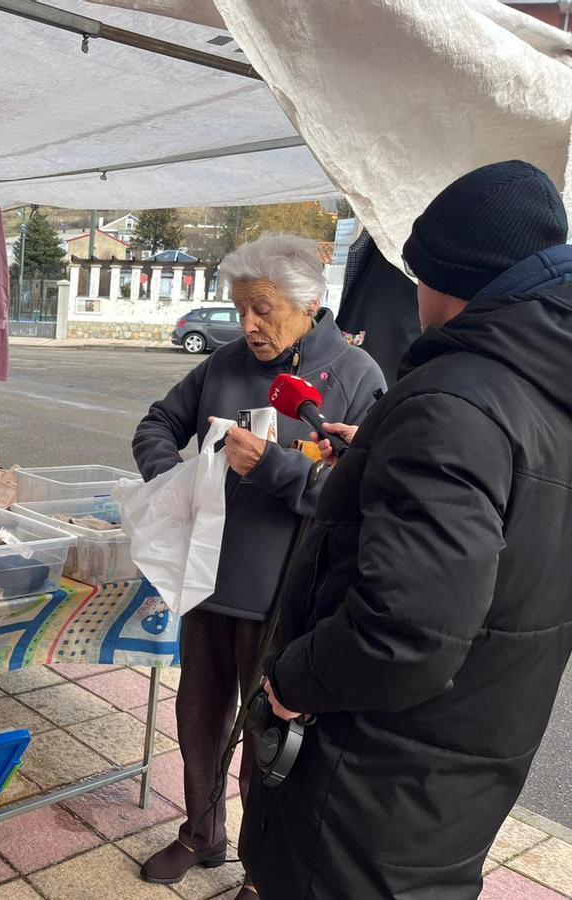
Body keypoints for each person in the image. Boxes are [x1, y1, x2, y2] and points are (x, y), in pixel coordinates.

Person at [240, 160, 572, 899]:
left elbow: (405, 631)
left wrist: (290, 682)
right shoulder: (543, 390)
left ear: (447, 281)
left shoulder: (455, 405)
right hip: (458, 770)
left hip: (362, 789)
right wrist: (386, 455)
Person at [132, 234, 385, 891]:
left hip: (291, 596)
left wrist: (274, 469)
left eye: (263, 308)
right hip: (209, 580)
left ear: (309, 304)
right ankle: (201, 834)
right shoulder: (222, 365)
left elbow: (365, 496)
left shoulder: (358, 379)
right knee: (198, 722)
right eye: (240, 306)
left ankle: (263, 867)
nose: (248, 324)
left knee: (269, 743)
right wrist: (174, 485)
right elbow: (156, 424)